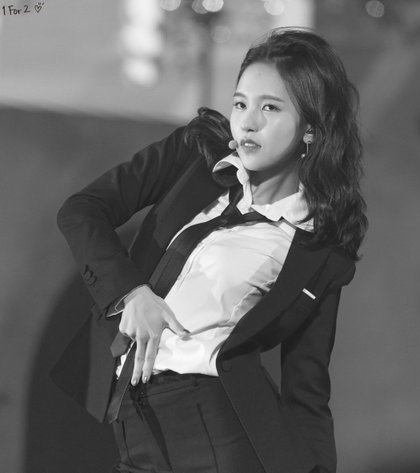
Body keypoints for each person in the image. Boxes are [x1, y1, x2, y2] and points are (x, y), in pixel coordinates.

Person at [52, 27, 367, 473]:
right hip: (132, 419)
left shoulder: (316, 249)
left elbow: (307, 389)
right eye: (240, 103)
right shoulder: (195, 154)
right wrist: (131, 293)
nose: (248, 122)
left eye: (270, 108)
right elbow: (82, 211)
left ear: (311, 130)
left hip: (217, 428)